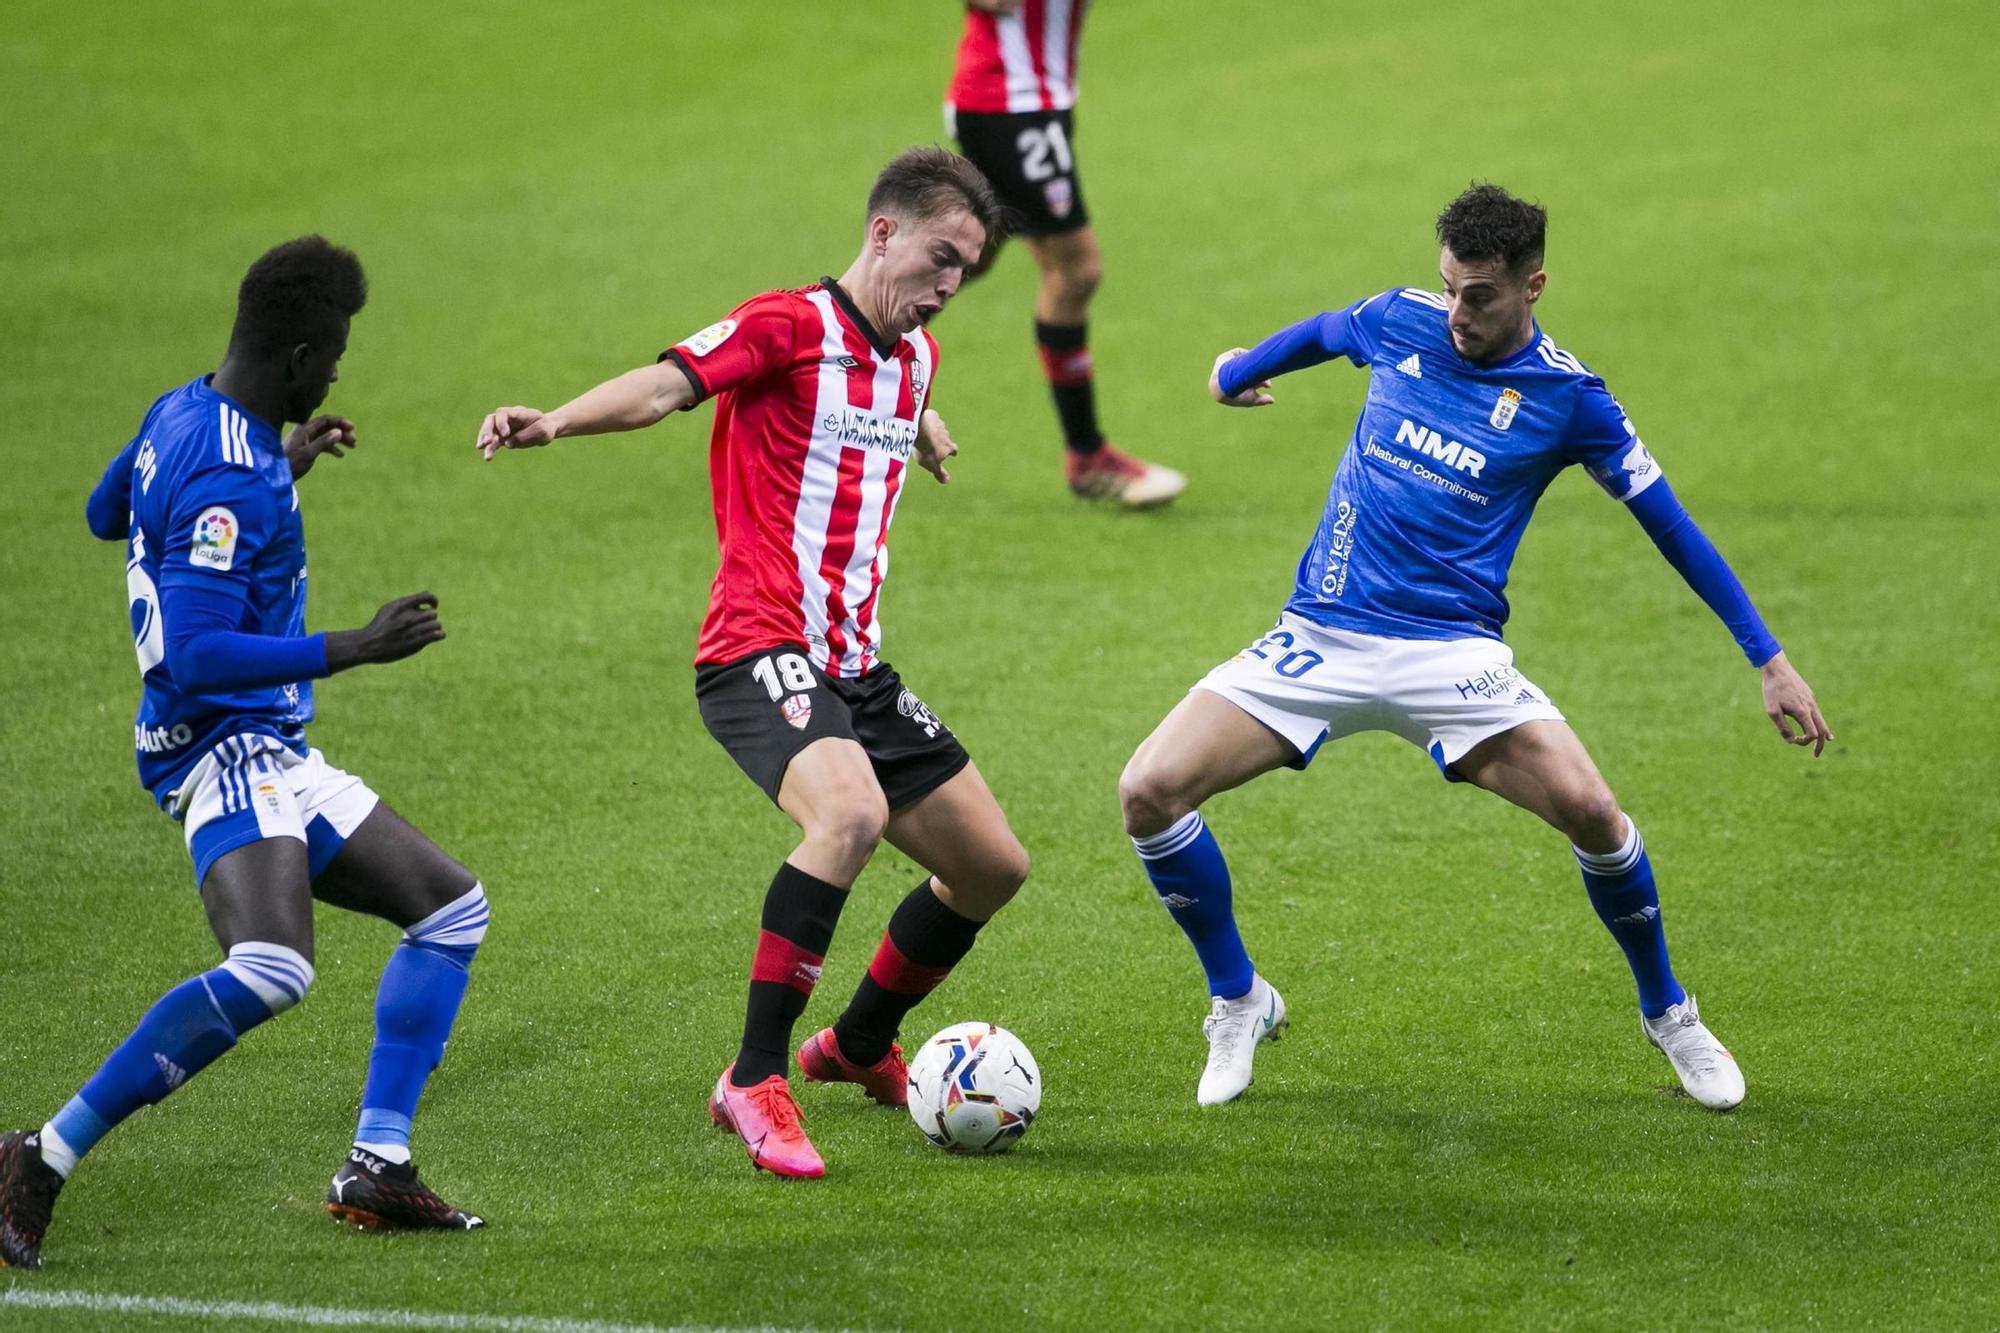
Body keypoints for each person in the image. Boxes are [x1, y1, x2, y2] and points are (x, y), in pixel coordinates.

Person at [1117, 184, 1832, 1110]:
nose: (1457, 312)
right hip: (1321, 633)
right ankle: (1239, 996)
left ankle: (1670, 1013)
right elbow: (1329, 330)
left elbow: (1672, 527)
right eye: (1449, 287)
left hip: (1453, 657)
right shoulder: (1401, 320)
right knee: (1147, 790)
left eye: (1481, 295)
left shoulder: (1571, 401)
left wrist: (1768, 658)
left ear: (1534, 285)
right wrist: (1238, 369)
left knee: (1594, 811)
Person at [477, 148, 1031, 1179]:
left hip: (854, 668)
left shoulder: (914, 359)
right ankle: (752, 1077)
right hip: (756, 646)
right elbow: (662, 388)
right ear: (882, 234)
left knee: (990, 866)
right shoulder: (785, 325)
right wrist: (553, 418)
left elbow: (884, 401)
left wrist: (923, 426)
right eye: (940, 259)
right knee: (850, 817)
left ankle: (855, 1045)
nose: (949, 288)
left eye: (966, 272)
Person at [0, 237, 488, 1270]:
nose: (339, 372)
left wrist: (281, 458)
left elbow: (105, 512)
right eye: (337, 354)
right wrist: (354, 644)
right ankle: (37, 1155)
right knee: (271, 965)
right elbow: (193, 655)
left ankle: (378, 1163)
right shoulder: (232, 473)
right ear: (301, 354)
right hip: (218, 741)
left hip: (261, 740)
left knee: (450, 910)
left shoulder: (186, 411)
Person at [946, 0, 1185, 507]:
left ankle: (842, 349)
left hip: (1027, 101)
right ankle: (1087, 455)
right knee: (1076, 270)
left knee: (972, 254)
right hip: (1011, 105)